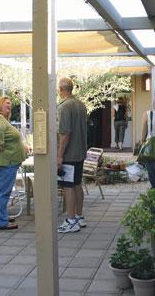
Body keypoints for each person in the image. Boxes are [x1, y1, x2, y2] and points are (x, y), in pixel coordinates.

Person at [0, 96, 27, 230]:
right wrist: (1, 143)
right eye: (6, 103)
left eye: (10, 104)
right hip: (5, 160)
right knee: (2, 191)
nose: (10, 105)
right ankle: (2, 222)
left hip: (0, 159)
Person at [56, 77, 88, 233]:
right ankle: (79, 217)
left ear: (61, 89)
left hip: (69, 154)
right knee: (77, 184)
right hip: (80, 152)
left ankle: (70, 221)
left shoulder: (64, 107)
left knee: (68, 186)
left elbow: (64, 134)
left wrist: (59, 155)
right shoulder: (81, 105)